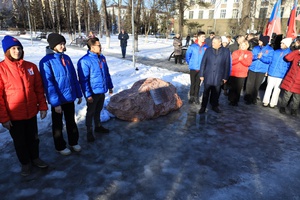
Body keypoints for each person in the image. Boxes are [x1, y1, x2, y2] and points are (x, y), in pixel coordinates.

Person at [0, 35, 48, 176]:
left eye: (19, 48)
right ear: (7, 51)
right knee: (20, 142)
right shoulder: (1, 70)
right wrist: (4, 118)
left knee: (33, 138)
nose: (17, 51)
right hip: (14, 115)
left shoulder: (30, 67)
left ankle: (35, 158)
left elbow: (39, 89)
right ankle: (25, 163)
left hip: (31, 112)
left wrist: (43, 106)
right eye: (13, 48)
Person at [39, 33, 83, 156]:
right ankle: (60, 146)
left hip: (69, 97)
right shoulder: (46, 61)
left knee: (71, 121)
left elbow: (74, 77)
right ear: (53, 45)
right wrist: (55, 103)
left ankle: (73, 142)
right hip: (58, 100)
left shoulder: (66, 58)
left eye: (63, 44)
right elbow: (49, 84)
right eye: (60, 44)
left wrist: (78, 94)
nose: (63, 46)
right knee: (58, 124)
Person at [77, 38, 114, 142]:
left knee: (98, 110)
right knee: (90, 112)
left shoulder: (102, 58)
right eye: (98, 45)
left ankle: (98, 126)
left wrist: (110, 86)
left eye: (100, 45)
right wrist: (88, 95)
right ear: (92, 47)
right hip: (92, 93)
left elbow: (106, 74)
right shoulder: (84, 61)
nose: (100, 47)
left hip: (102, 90)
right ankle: (89, 131)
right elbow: (83, 80)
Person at [198, 35, 231, 113]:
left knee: (216, 92)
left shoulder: (226, 51)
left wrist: (225, 77)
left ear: (220, 43)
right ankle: (203, 106)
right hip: (208, 75)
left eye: (214, 42)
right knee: (206, 92)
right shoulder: (208, 50)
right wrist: (201, 74)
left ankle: (214, 105)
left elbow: (227, 65)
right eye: (212, 42)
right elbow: (203, 63)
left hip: (219, 75)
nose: (212, 44)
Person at [262, 38, 292, 108]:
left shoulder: (290, 54)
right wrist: (267, 70)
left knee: (277, 90)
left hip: (281, 75)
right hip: (272, 72)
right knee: (268, 87)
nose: (281, 44)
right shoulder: (276, 51)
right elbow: (270, 61)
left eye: (283, 43)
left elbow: (289, 66)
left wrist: (286, 75)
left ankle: (273, 103)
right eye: (281, 43)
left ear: (287, 45)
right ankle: (266, 101)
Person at [244, 35, 274, 105]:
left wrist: (261, 58)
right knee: (249, 84)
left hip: (261, 70)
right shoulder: (256, 48)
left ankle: (254, 99)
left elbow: (269, 60)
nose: (259, 42)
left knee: (256, 85)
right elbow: (251, 57)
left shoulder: (270, 50)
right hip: (253, 68)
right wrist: (256, 57)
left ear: (264, 42)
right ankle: (248, 98)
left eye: (260, 41)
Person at [185, 31, 208, 104]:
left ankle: (196, 97)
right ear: (198, 37)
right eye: (202, 37)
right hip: (193, 68)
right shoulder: (193, 46)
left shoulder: (206, 47)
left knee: (198, 84)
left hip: (201, 69)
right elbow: (187, 56)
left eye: (204, 37)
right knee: (193, 83)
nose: (204, 38)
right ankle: (191, 97)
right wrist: (190, 63)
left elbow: (207, 58)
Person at [227, 41, 253, 106]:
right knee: (232, 87)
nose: (243, 46)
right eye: (242, 45)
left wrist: (242, 60)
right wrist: (238, 59)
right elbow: (232, 62)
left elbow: (248, 63)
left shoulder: (249, 53)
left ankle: (236, 100)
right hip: (234, 72)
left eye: (244, 45)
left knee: (238, 88)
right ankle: (231, 99)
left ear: (247, 46)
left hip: (242, 74)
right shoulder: (235, 52)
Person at [279, 49, 300, 116]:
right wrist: (297, 51)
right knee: (286, 95)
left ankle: (294, 110)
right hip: (291, 79)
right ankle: (282, 107)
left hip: (299, 82)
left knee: (297, 98)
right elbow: (287, 57)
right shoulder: (296, 55)